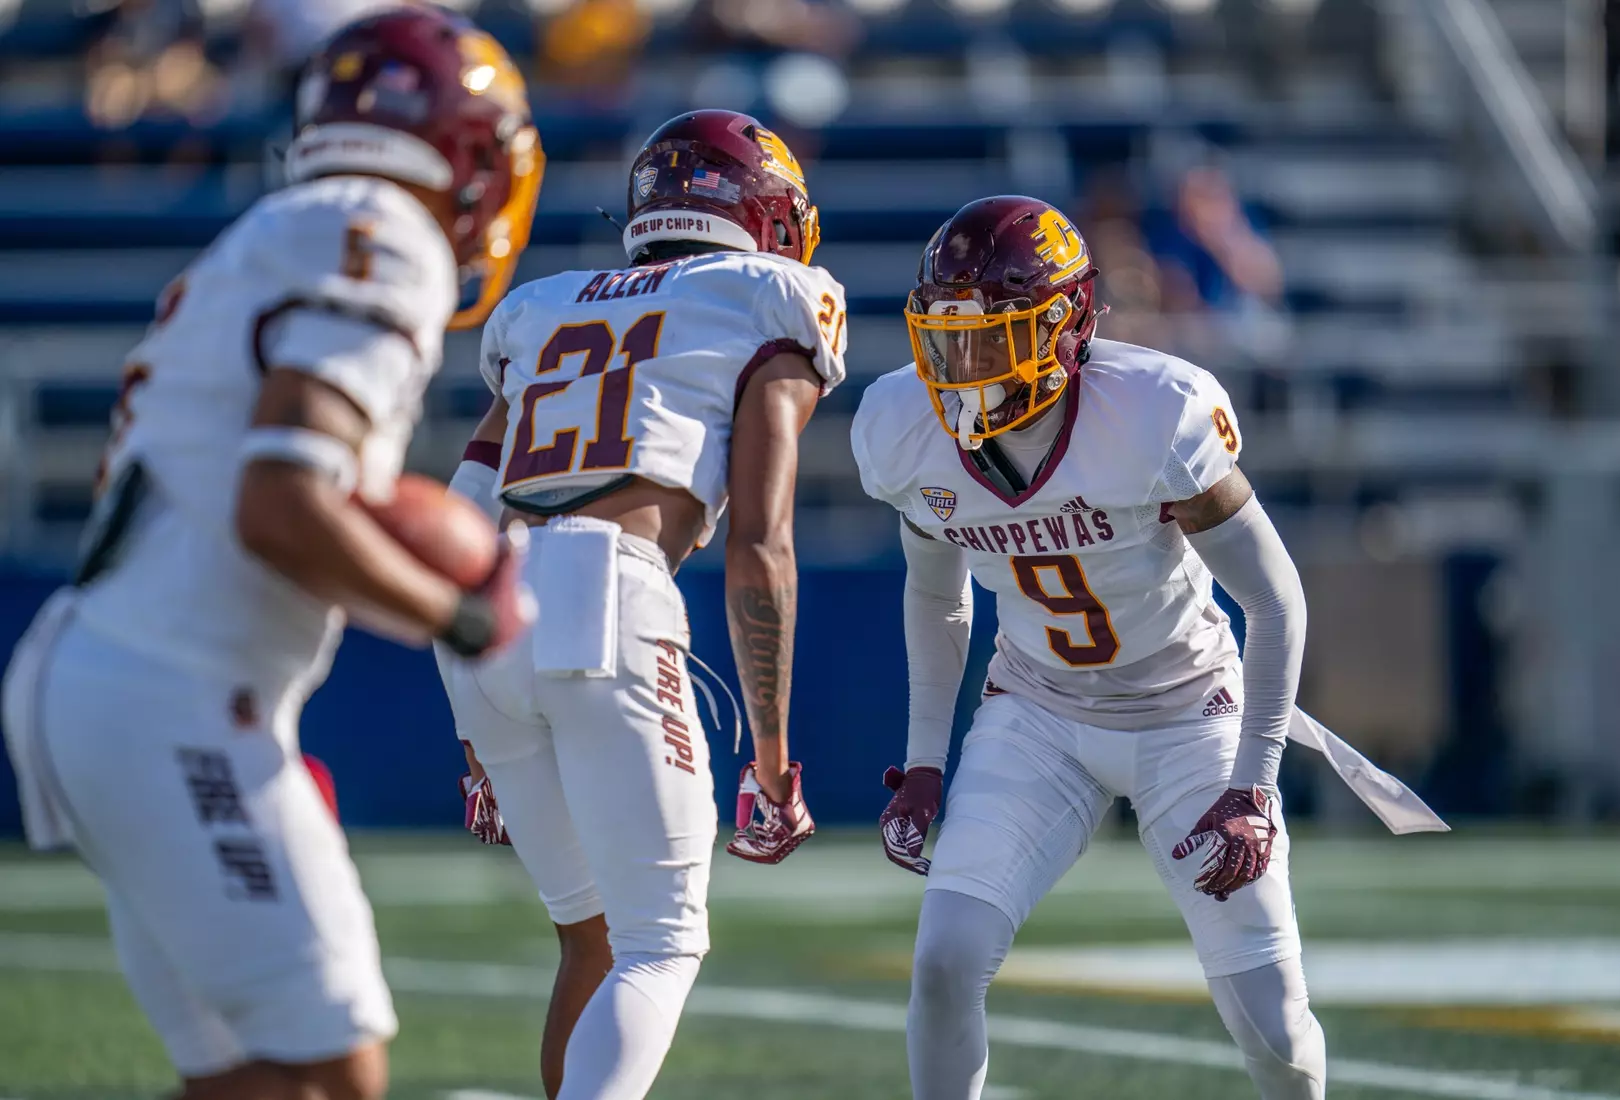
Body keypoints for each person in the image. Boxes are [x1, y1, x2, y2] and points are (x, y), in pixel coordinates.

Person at [0, 9, 542, 1098]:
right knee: (329, 1067)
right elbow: (281, 503)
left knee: (251, 1075)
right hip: (176, 687)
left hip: (110, 666)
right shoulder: (386, 232)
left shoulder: (290, 223)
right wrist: (468, 613)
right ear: (467, 151)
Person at [852, 195, 1447, 1100]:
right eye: (948, 336)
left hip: (1189, 713)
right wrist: (925, 761)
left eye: (993, 335)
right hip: (1038, 712)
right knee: (944, 959)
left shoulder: (1152, 409)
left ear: (1066, 325)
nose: (962, 364)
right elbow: (936, 594)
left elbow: (1273, 600)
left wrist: (1252, 783)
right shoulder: (904, 425)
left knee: (1273, 1020)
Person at [435, 109, 845, 1100]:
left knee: (593, 937)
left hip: (488, 607)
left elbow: (458, 512)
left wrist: (475, 722)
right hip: (607, 591)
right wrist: (776, 755)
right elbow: (760, 543)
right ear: (762, 211)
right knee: (661, 944)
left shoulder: (546, 302)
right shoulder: (771, 294)